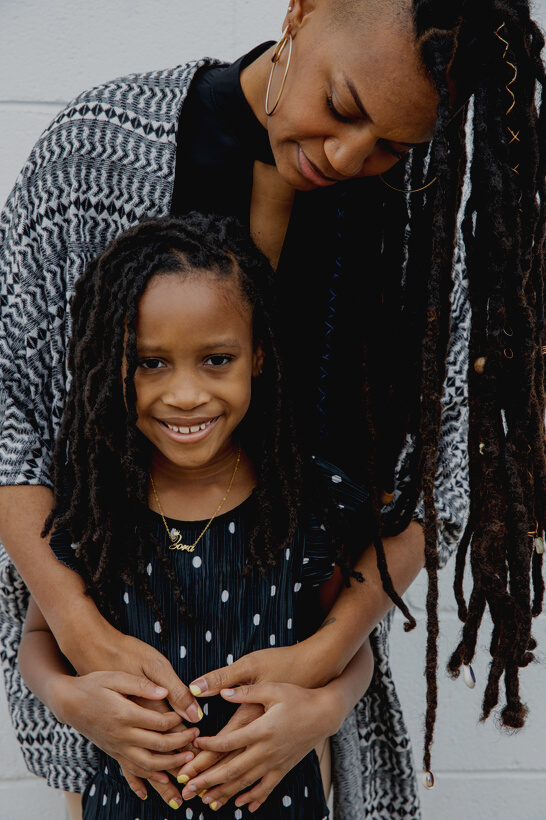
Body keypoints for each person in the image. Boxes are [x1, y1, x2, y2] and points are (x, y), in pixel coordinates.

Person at [0, 1, 544, 818]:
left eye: (395, 145)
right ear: (303, 10)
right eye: (344, 106)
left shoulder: (429, 223)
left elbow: (447, 479)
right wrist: (79, 636)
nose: (348, 155)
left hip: (302, 744)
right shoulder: (96, 153)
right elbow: (8, 411)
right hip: (119, 743)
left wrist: (326, 670)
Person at [17, 213, 376, 818]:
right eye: (152, 363)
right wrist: (68, 698)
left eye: (216, 360)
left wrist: (329, 708)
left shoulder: (302, 501)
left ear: (258, 357)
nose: (185, 394)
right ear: (115, 362)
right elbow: (36, 637)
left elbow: (349, 644)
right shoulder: (95, 506)